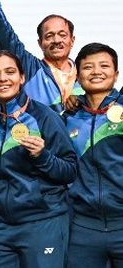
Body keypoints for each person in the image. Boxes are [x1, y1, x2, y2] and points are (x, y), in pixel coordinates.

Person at [0, 51, 77, 267]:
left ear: (22, 77)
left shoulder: (43, 116)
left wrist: (42, 156)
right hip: (1, 224)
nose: (2, 78)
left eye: (10, 72)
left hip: (43, 220)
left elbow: (70, 170)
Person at [63, 43, 123, 266]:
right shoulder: (67, 118)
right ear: (78, 76)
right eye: (88, 67)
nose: (96, 71)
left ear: (116, 74)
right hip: (83, 228)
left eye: (104, 66)